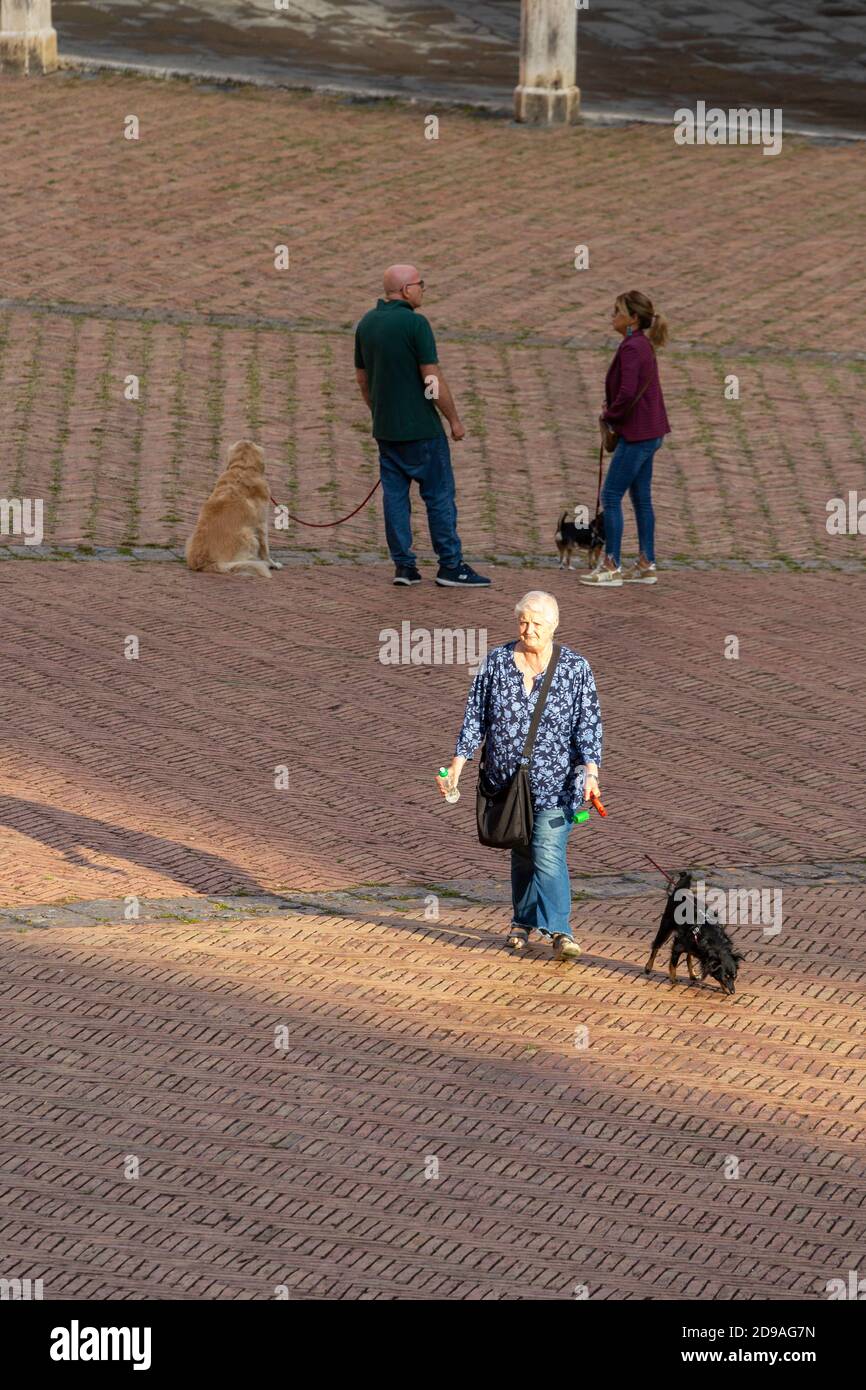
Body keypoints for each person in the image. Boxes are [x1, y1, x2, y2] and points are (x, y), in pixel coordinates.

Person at [438, 591, 602, 959]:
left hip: (557, 786)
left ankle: (560, 931)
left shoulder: (576, 669)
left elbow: (588, 728)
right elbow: (474, 719)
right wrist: (457, 767)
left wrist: (591, 772)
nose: (528, 630)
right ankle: (521, 921)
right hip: (507, 783)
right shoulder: (495, 662)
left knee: (546, 851)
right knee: (523, 850)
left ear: (554, 626)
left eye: (536, 624)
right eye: (523, 622)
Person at [354, 264, 490, 588]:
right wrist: (452, 419)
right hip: (423, 430)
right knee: (439, 497)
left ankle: (404, 567)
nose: (423, 290)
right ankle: (450, 565)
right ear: (405, 290)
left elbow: (362, 378)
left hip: (386, 430)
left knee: (395, 498)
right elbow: (431, 376)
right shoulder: (416, 324)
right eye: (420, 284)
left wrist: (378, 410)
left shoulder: (366, 324)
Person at [581, 290, 670, 588]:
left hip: (637, 434)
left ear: (632, 318)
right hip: (652, 431)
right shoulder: (641, 344)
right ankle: (646, 563)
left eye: (617, 311)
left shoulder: (632, 347)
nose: (612, 316)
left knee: (610, 496)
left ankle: (611, 565)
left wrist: (611, 415)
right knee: (641, 498)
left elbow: (628, 392)